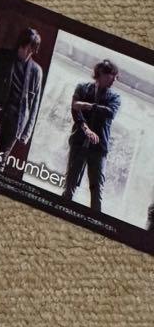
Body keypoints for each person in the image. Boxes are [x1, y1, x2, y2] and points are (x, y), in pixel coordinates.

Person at [61, 59, 121, 214]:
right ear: (101, 73)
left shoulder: (115, 97)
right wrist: (86, 129)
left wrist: (88, 106)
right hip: (79, 143)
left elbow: (110, 112)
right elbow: (75, 109)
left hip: (99, 149)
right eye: (112, 75)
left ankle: (94, 222)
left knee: (96, 192)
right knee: (69, 186)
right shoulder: (82, 88)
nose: (114, 80)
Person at [0, 27, 44, 172]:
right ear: (20, 44)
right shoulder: (4, 57)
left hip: (16, 122)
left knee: (0, 164)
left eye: (31, 50)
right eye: (25, 47)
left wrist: (27, 132)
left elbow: (34, 105)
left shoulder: (36, 72)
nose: (27, 52)